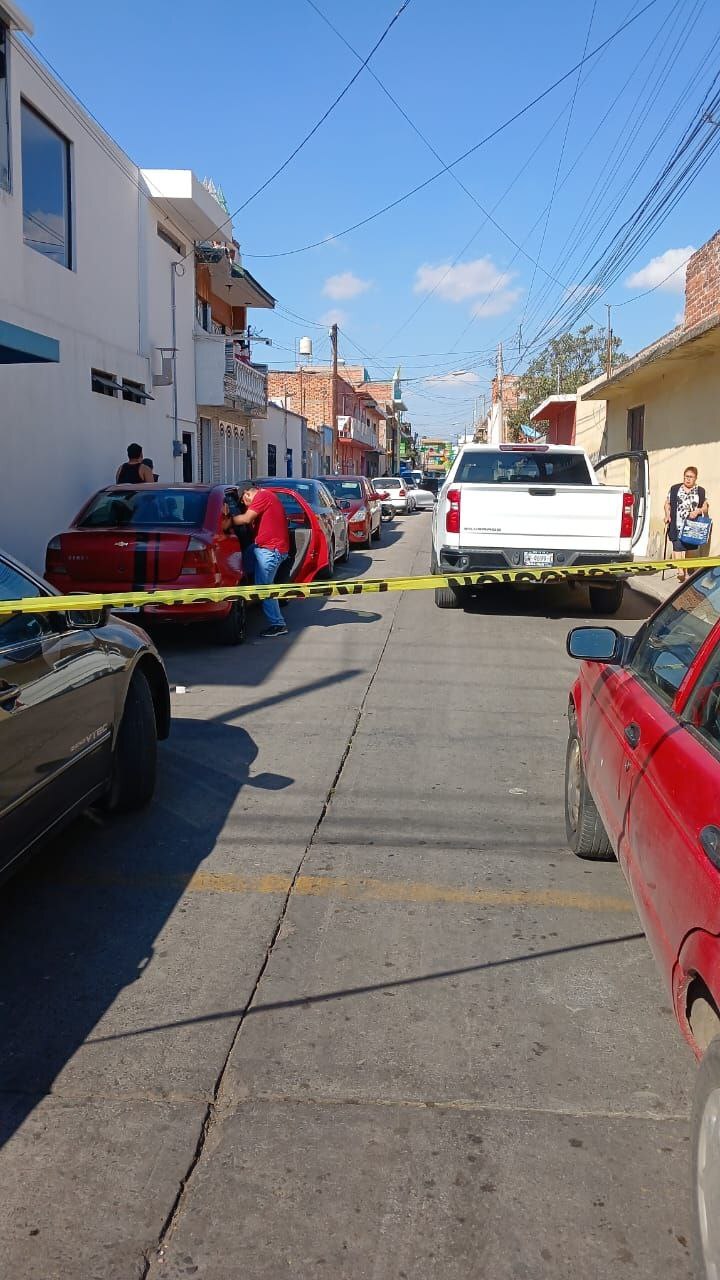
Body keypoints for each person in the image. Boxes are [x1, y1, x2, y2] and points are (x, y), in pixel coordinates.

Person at [226, 483, 290, 637]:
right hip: (260, 547)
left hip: (270, 550)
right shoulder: (266, 497)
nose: (245, 505)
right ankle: (250, 596)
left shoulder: (262, 495)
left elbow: (247, 519)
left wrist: (228, 522)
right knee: (244, 565)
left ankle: (278, 624)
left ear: (247, 494)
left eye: (243, 502)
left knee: (264, 587)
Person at [664, 466, 710, 582]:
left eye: (691, 477)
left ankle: (687, 570)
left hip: (692, 525)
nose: (688, 479)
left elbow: (705, 506)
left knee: (689, 548)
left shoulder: (700, 490)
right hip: (677, 523)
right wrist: (667, 515)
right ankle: (680, 571)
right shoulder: (675, 489)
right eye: (686, 476)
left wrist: (698, 511)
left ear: (695, 478)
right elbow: (667, 504)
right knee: (677, 546)